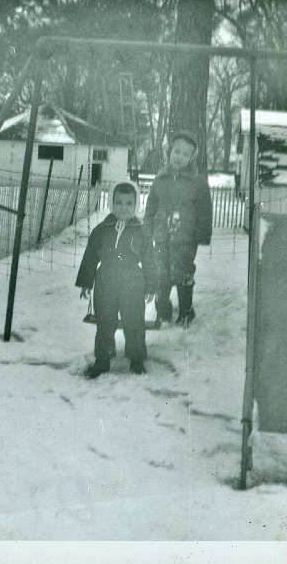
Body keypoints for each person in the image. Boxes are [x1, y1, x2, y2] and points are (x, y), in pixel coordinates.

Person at [76, 181, 157, 379]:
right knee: (105, 322)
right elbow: (90, 257)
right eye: (119, 202)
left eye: (129, 203)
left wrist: (152, 285)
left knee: (134, 322)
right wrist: (86, 282)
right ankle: (103, 359)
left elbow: (149, 260)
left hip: (133, 282)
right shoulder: (101, 230)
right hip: (106, 282)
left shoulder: (142, 231)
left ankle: (136, 359)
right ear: (112, 203)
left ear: (136, 204)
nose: (123, 207)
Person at [144, 131, 213, 327]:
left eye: (185, 154)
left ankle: (185, 312)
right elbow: (151, 207)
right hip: (161, 236)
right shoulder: (161, 179)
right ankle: (163, 313)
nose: (179, 156)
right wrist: (147, 229)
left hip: (185, 238)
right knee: (161, 274)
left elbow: (204, 211)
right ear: (169, 151)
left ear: (192, 157)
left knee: (182, 273)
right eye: (176, 151)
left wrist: (203, 234)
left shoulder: (198, 182)